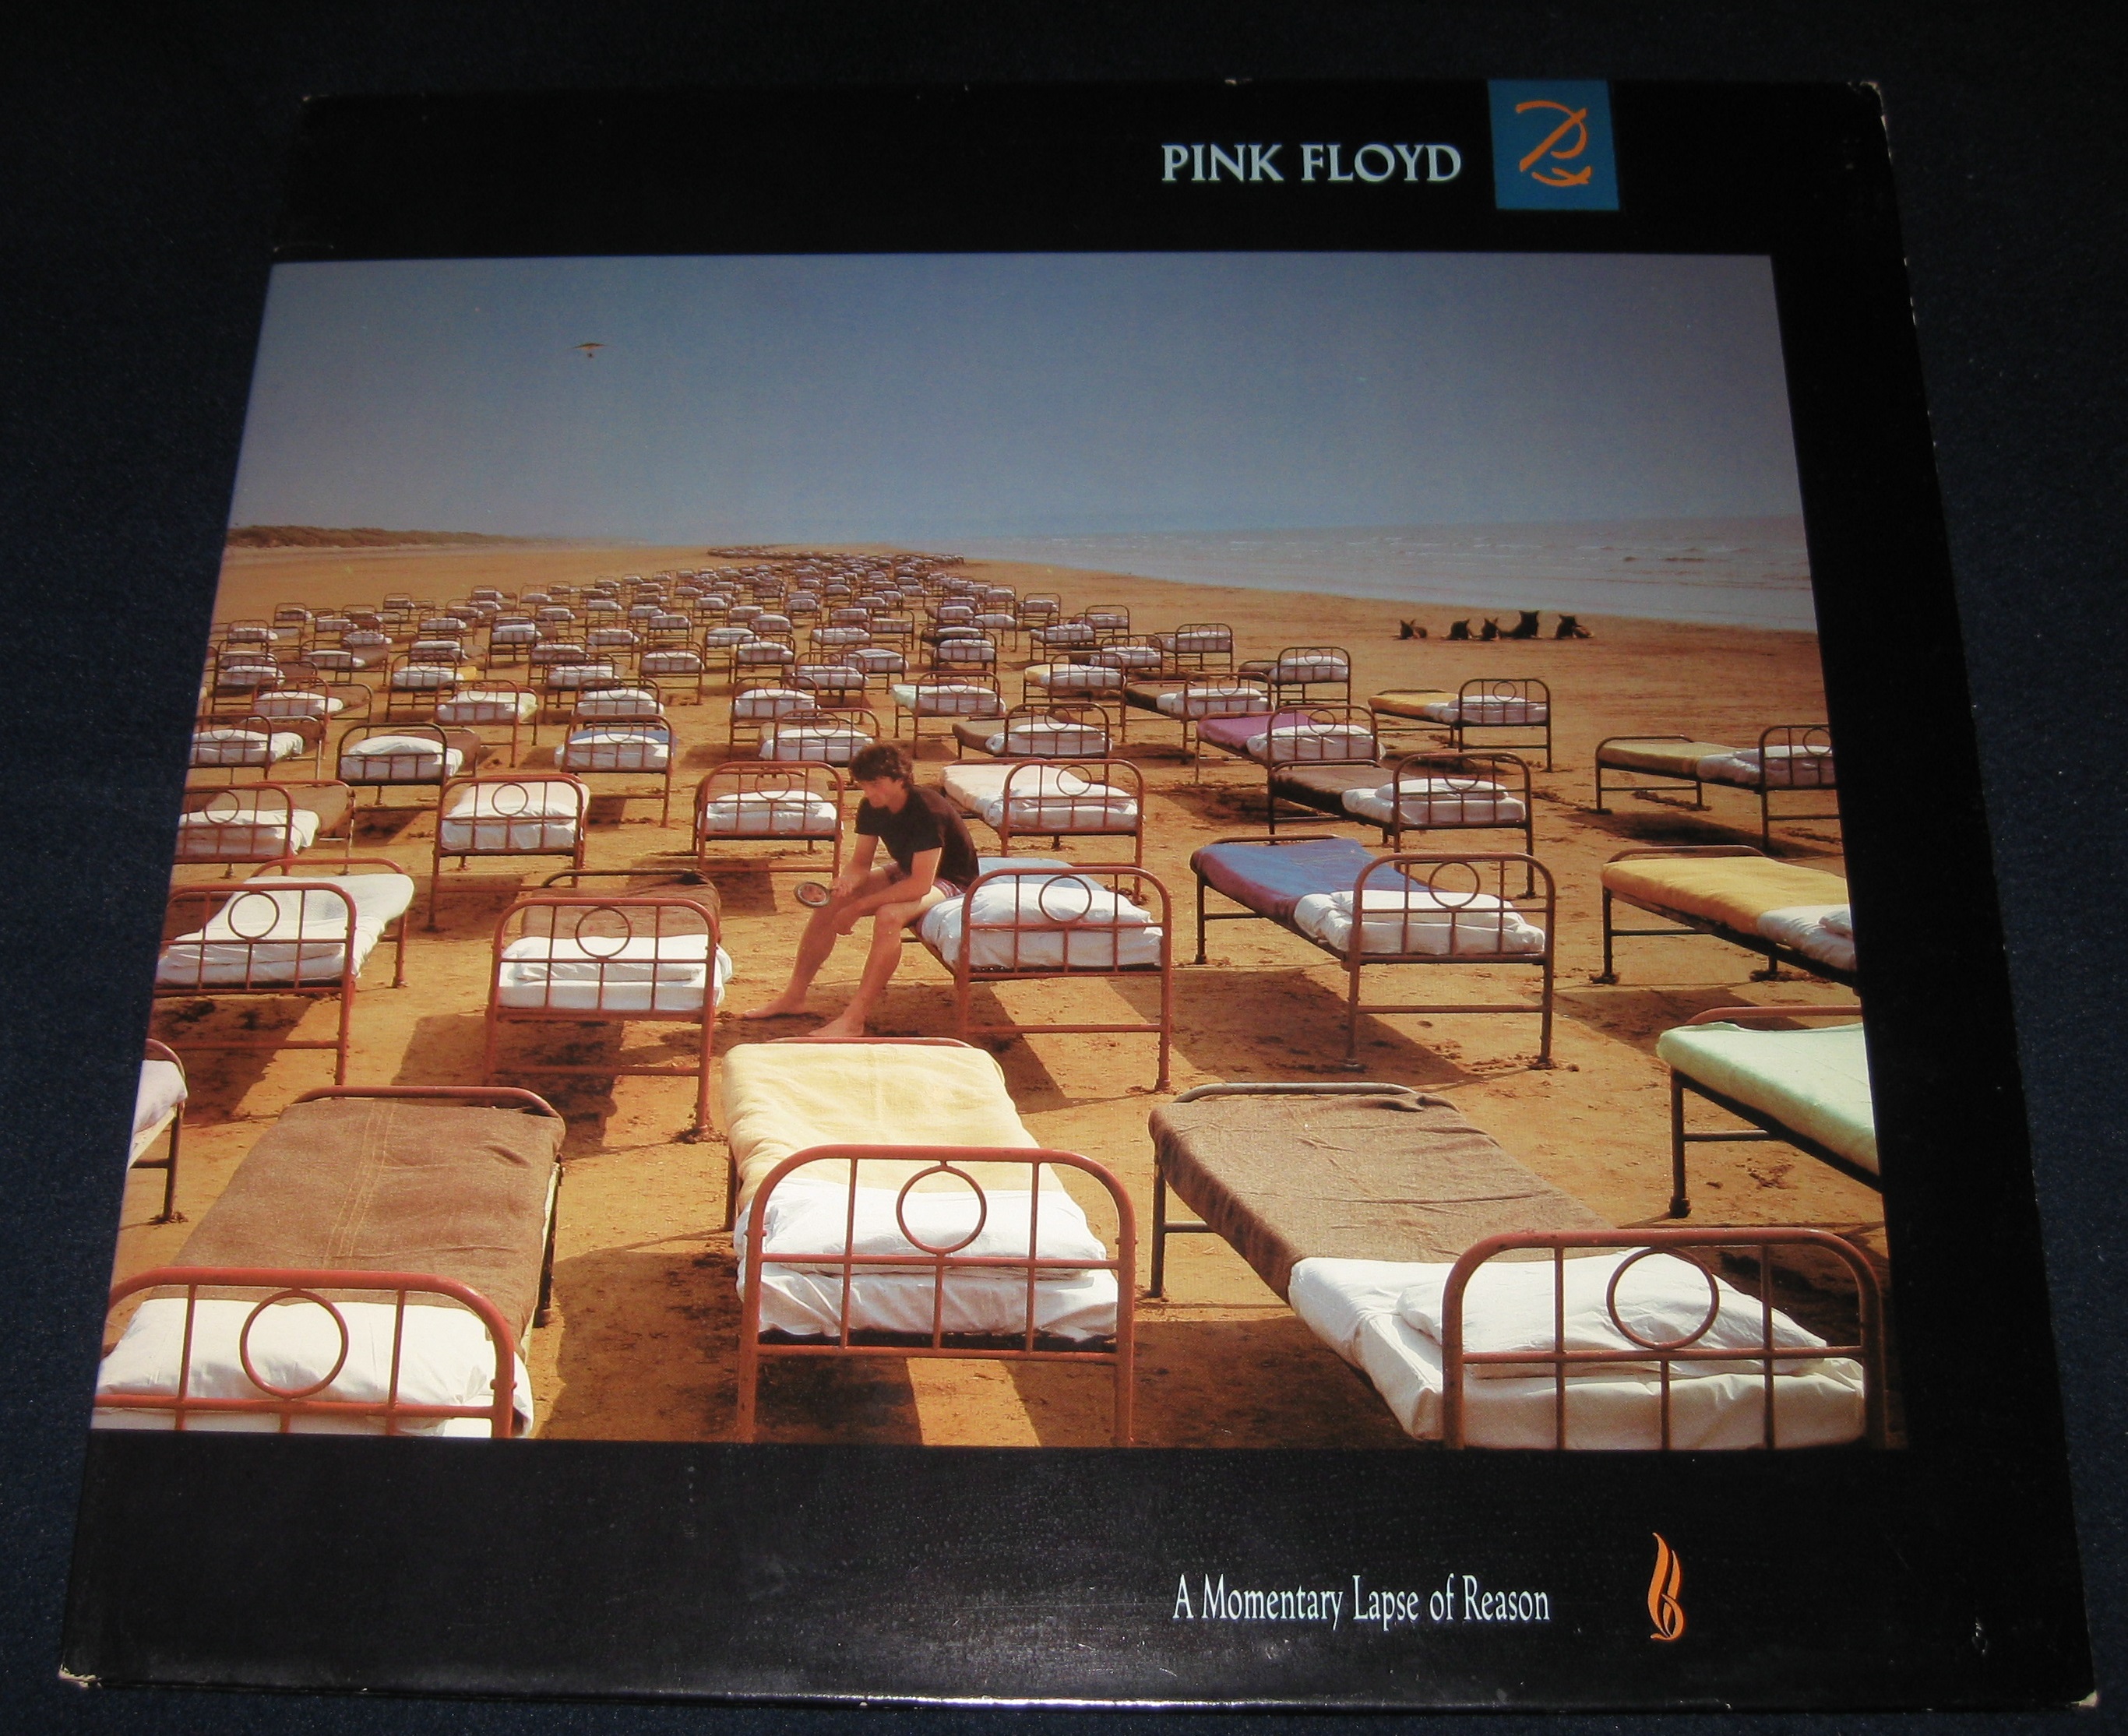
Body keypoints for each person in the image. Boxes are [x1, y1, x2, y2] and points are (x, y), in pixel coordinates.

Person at [741, 741, 981, 1037]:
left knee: (889, 915)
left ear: (900, 779)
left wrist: (857, 907)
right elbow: (860, 863)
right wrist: (846, 884)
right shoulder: (872, 806)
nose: (868, 792)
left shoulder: (927, 810)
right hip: (910, 870)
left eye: (875, 784)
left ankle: (854, 1019)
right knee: (831, 903)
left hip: (950, 880)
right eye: (864, 785)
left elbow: (919, 885)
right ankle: (794, 997)